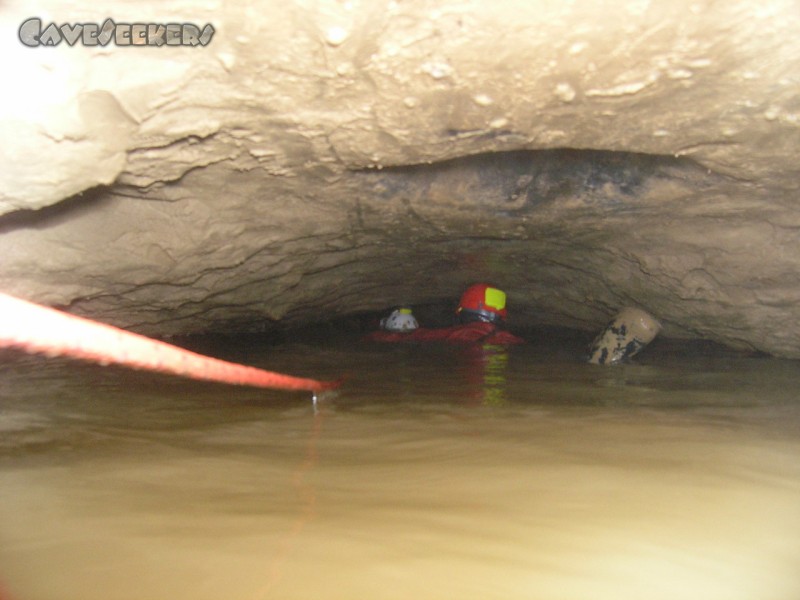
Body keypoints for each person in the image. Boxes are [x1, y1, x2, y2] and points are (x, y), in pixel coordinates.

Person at [364, 283, 524, 345]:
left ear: (464, 311)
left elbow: (416, 336)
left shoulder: (463, 333)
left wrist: (376, 335)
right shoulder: (509, 338)